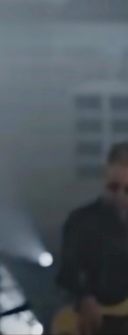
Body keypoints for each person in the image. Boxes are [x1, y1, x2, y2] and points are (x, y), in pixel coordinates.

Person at [56, 142, 128, 335]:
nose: (120, 196)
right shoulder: (81, 221)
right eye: (113, 187)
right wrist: (84, 299)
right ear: (105, 176)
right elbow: (67, 275)